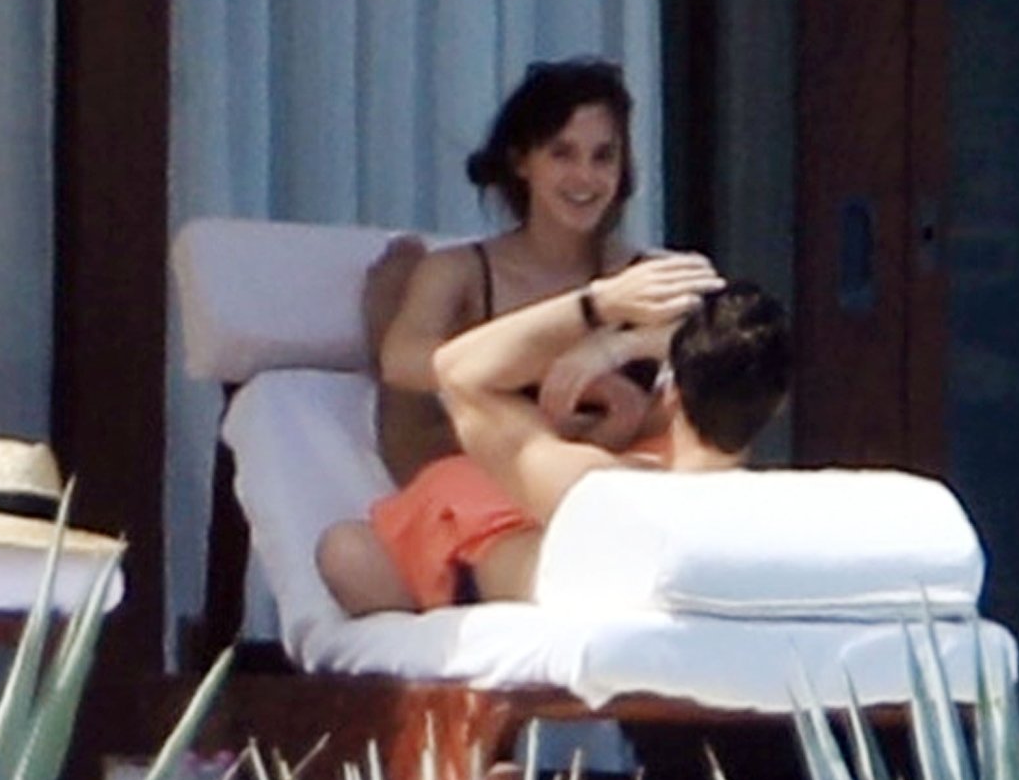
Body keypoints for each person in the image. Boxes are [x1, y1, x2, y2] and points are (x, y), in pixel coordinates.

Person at [318, 254, 791, 615]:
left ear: (671, 392)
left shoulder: (600, 489)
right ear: (778, 406)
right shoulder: (774, 514)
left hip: (471, 572)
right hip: (498, 538)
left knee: (344, 550)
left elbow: (459, 371)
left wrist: (599, 311)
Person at [369, 58, 655, 485]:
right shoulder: (461, 271)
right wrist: (577, 377)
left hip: (616, 490)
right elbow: (402, 360)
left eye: (603, 157)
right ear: (522, 161)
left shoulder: (644, 278)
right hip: (492, 489)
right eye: (562, 153)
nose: (585, 176)